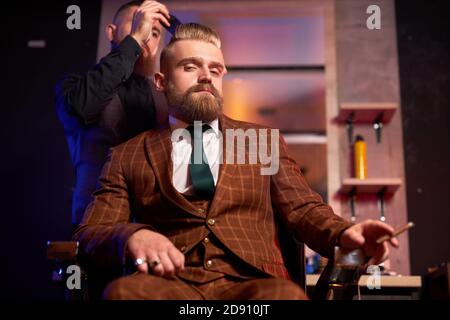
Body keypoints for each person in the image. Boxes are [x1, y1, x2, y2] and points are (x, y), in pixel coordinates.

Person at [73, 23, 399, 300]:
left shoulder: (261, 142)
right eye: (190, 67)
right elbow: (92, 231)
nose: (206, 77)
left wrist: (347, 234)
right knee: (124, 294)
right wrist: (132, 235)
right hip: (168, 285)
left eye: (215, 69)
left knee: (283, 298)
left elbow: (303, 210)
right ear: (161, 82)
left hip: (252, 286)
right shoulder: (128, 153)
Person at [56, 1, 171, 225]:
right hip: (96, 223)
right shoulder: (75, 86)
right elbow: (84, 107)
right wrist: (135, 39)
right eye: (139, 24)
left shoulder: (165, 97)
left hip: (156, 228)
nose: (147, 34)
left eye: (154, 32)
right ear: (112, 32)